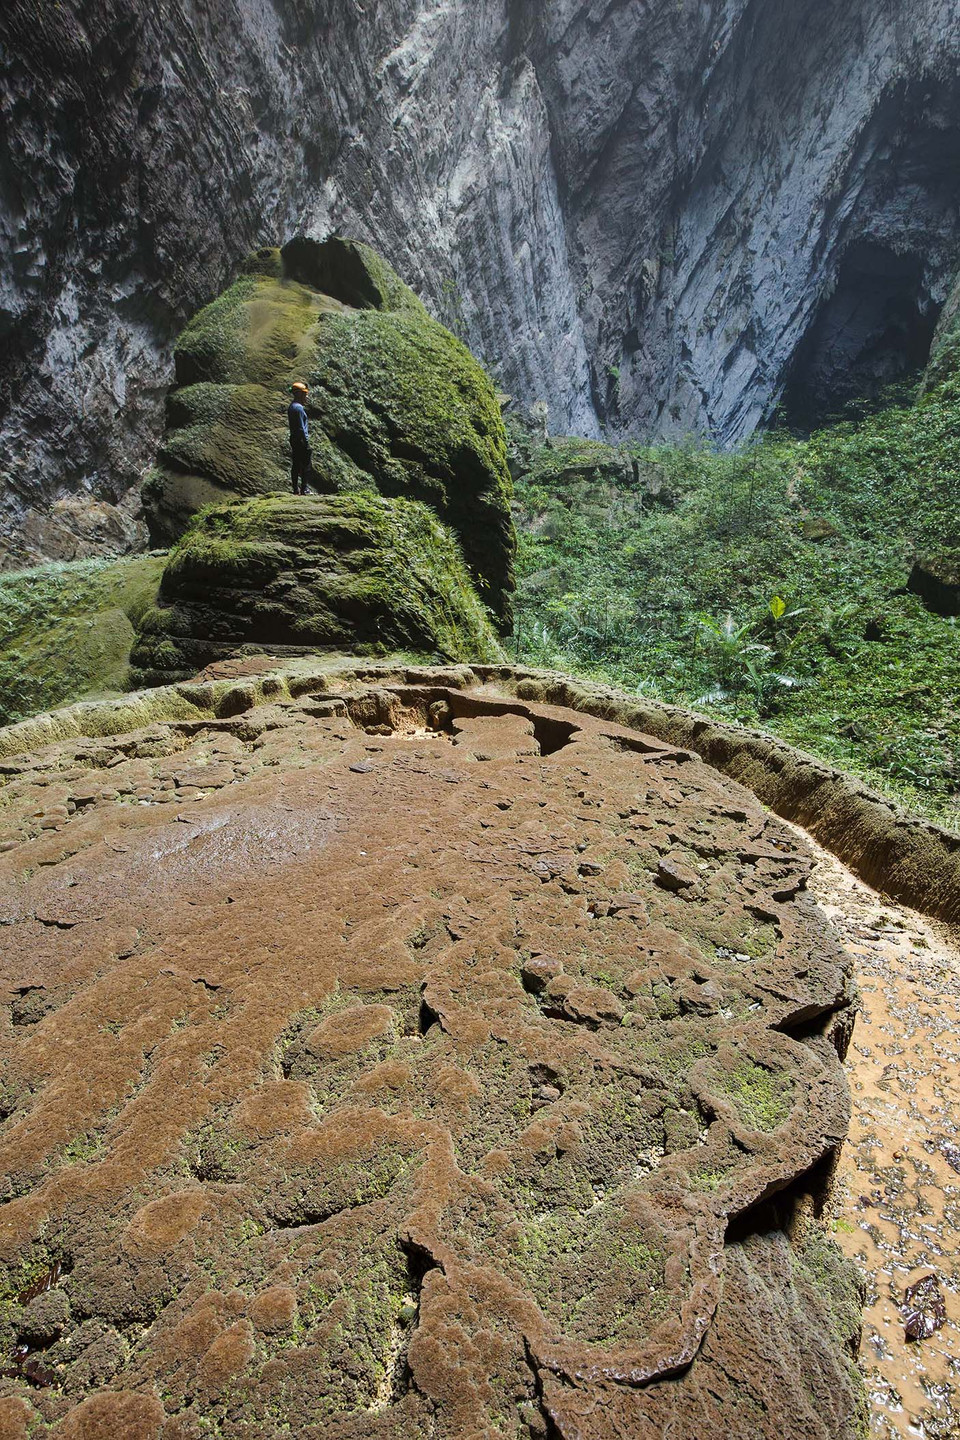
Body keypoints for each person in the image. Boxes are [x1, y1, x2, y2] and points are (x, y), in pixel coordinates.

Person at [288, 382, 312, 495]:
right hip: (300, 440)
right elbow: (301, 427)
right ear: (299, 394)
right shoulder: (298, 408)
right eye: (305, 394)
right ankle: (304, 489)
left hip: (294, 438)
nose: (306, 397)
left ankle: (295, 489)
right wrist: (306, 441)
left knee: (296, 464)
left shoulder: (292, 407)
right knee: (306, 464)